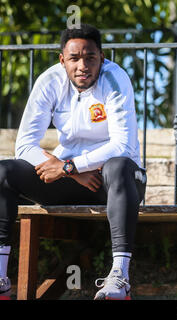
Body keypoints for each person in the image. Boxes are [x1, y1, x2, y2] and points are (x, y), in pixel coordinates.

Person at [0, 24, 146, 300]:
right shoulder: (49, 81)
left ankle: (120, 277)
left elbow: (123, 145)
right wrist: (69, 171)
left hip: (116, 182)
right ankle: (1, 278)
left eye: (90, 57)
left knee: (117, 164)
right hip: (71, 179)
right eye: (74, 58)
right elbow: (24, 145)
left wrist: (71, 166)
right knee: (4, 171)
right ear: (62, 60)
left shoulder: (115, 78)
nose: (82, 66)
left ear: (102, 58)